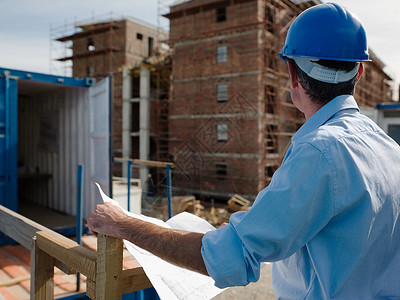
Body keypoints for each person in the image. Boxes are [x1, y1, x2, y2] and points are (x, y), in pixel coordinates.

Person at [88, 3, 400, 299]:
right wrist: (254, 227)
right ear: (359, 73)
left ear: (292, 75)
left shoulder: (320, 152)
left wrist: (122, 224)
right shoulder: (390, 149)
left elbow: (229, 259)